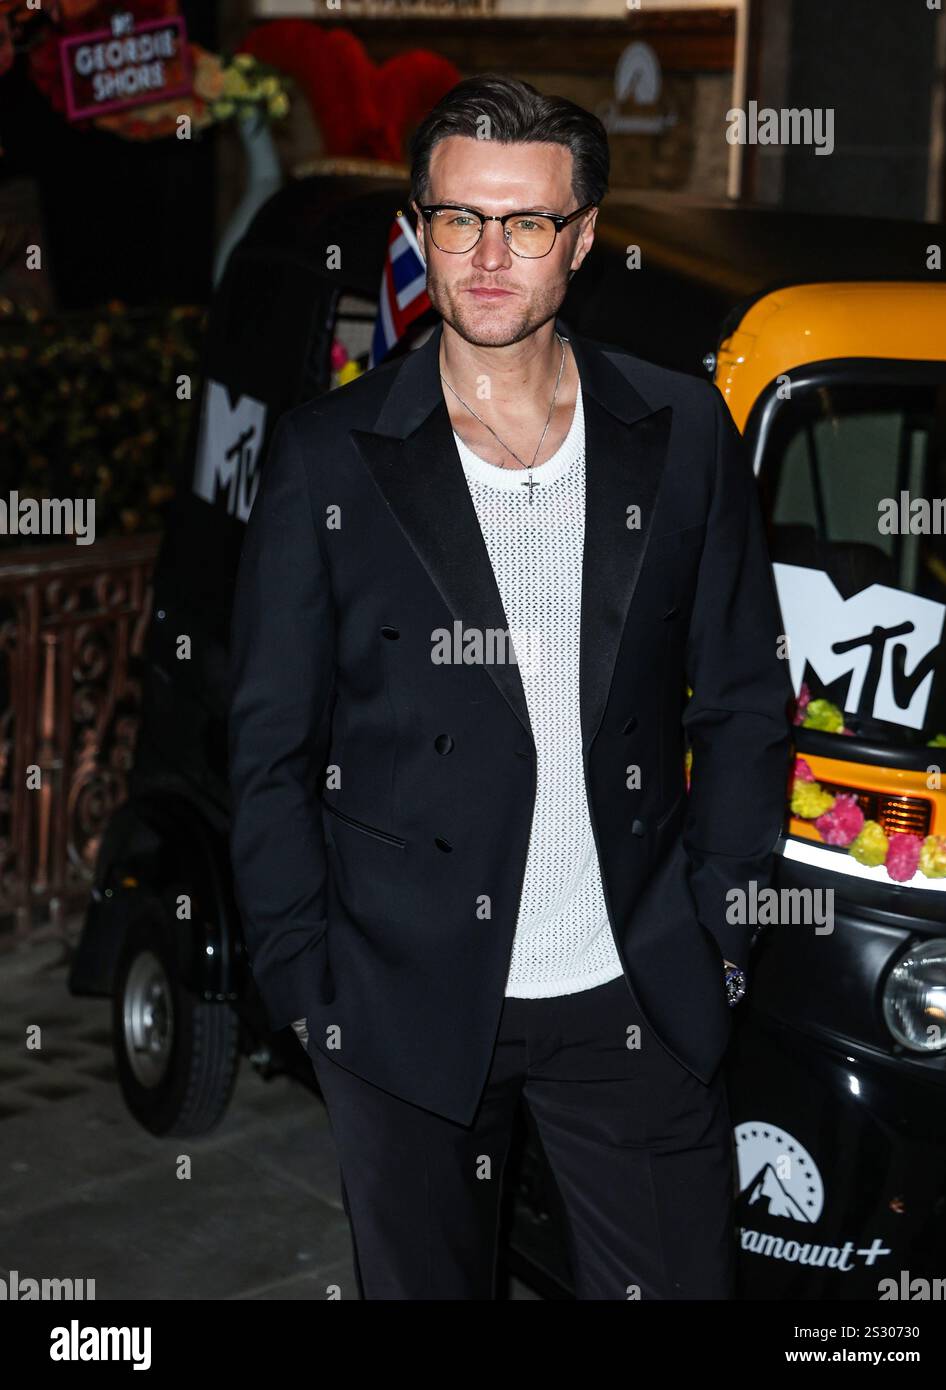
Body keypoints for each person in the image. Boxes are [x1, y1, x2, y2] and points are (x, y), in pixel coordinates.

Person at [228, 72, 793, 1300]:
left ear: (580, 238)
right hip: (401, 1000)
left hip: (632, 987)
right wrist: (305, 986)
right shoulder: (331, 452)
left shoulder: (683, 432)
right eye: (458, 219)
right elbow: (269, 741)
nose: (488, 257)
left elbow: (746, 696)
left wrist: (722, 931)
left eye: (526, 222)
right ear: (417, 232)